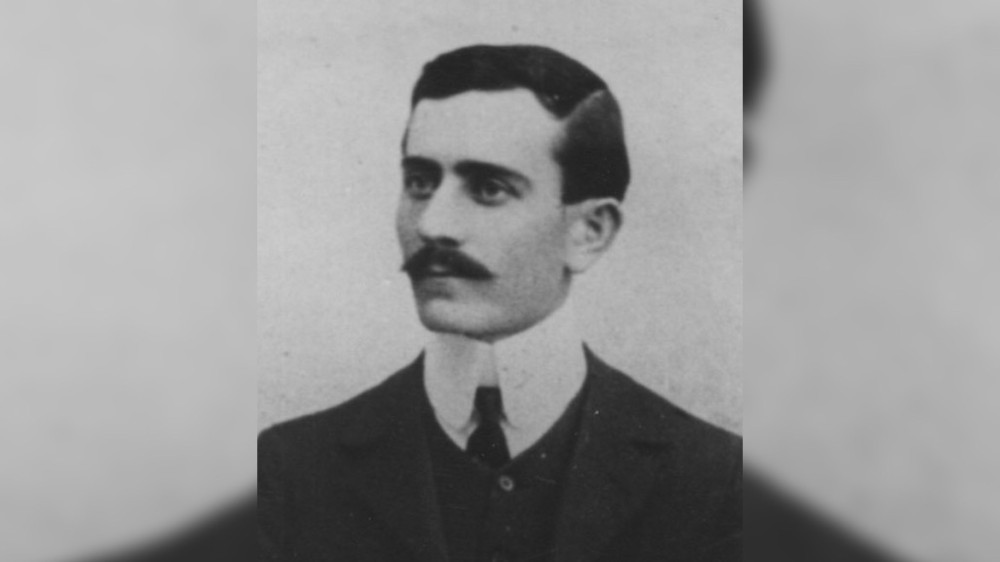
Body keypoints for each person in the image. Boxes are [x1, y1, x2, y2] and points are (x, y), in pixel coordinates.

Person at [258, 44, 741, 562]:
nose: (432, 225)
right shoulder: (289, 470)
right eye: (420, 183)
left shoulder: (715, 480)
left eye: (488, 189)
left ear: (589, 231)